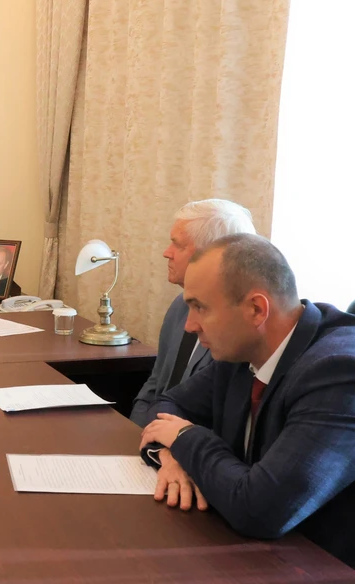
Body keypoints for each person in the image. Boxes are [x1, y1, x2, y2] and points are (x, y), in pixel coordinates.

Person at [138, 234, 355, 568]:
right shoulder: (242, 352)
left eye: (200, 307)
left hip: (318, 564)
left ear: (256, 309)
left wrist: (185, 438)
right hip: (248, 551)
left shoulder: (339, 371)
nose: (189, 324)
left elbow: (260, 510)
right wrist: (172, 456)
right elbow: (167, 405)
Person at [129, 199, 255, 426]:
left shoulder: (238, 325)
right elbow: (155, 384)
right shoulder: (179, 305)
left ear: (213, 255)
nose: (167, 253)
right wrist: (133, 432)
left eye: (178, 245)